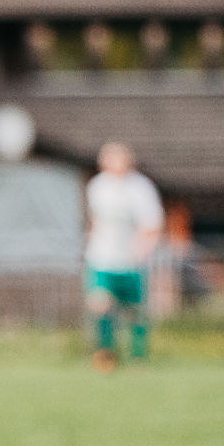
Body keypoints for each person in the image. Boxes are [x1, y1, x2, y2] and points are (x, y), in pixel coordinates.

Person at [84, 140, 162, 371]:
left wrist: (143, 248)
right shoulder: (97, 187)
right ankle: (106, 353)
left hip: (131, 261)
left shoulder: (141, 188)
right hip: (102, 259)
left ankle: (138, 356)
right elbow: (94, 221)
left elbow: (152, 224)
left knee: (134, 312)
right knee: (100, 304)